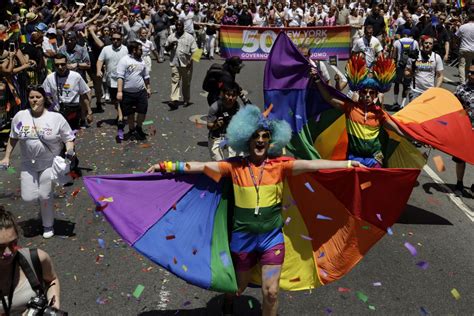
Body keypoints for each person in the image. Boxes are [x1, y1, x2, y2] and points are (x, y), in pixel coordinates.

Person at [146, 105, 364, 316]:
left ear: (271, 141)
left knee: (271, 293)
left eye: (265, 136)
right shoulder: (233, 167)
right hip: (243, 239)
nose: (260, 140)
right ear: (246, 140)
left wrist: (347, 165)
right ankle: (229, 302)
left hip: (272, 239)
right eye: (255, 136)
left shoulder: (281, 166)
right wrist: (165, 166)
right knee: (237, 287)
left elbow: (312, 165)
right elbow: (199, 166)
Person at [0, 86, 75, 238]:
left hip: (48, 163)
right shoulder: (20, 116)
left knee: (45, 195)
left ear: (44, 99)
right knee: (29, 197)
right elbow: (13, 137)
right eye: (32, 97)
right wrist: (6, 156)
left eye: (38, 97)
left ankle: (48, 226)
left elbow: (69, 137)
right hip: (28, 164)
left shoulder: (56, 118)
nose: (35, 100)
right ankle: (42, 207)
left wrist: (70, 150)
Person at [312, 55, 409, 168]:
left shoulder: (379, 113)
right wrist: (317, 80)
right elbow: (329, 98)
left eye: (371, 93)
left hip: (374, 159)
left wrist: (417, 138)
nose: (367, 95)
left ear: (375, 95)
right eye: (364, 92)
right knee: (355, 185)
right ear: (359, 93)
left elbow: (398, 129)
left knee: (374, 185)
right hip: (354, 158)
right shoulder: (350, 108)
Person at [0, 206, 62, 314]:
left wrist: (53, 307)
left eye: (13, 243)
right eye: (0, 247)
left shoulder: (36, 258)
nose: (8, 252)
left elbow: (52, 280)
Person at [42, 53, 92, 130]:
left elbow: (84, 94)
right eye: (57, 65)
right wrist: (52, 108)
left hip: (72, 111)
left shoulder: (76, 76)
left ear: (67, 64)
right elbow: (47, 96)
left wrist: (89, 112)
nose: (60, 67)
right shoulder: (49, 78)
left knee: (71, 134)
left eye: (62, 64)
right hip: (57, 112)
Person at [97, 31, 129, 141]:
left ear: (121, 40)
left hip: (124, 80)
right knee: (115, 101)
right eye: (113, 39)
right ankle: (120, 114)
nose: (115, 41)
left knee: (121, 99)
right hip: (111, 80)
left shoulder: (126, 49)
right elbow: (100, 60)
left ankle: (121, 118)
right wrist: (98, 70)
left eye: (118, 39)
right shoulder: (106, 49)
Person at [116, 41, 151, 141]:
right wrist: (119, 91)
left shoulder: (142, 61)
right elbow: (120, 77)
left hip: (140, 92)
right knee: (130, 113)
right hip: (127, 93)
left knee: (142, 111)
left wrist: (148, 88)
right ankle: (131, 130)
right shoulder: (124, 61)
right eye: (140, 49)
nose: (142, 51)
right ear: (134, 50)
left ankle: (138, 127)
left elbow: (146, 76)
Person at [165, 20, 197, 109]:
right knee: (175, 80)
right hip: (175, 63)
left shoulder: (189, 37)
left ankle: (186, 99)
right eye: (177, 25)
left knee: (186, 83)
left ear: (183, 26)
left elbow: (196, 52)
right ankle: (174, 100)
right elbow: (166, 49)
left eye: (180, 25)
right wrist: (171, 45)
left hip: (186, 64)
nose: (178, 27)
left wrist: (191, 61)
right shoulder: (171, 37)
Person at [452, 64, 474, 196]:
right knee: (461, 159)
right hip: (465, 130)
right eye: (470, 72)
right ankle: (459, 184)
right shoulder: (461, 89)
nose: (471, 75)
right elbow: (453, 108)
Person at [207, 83, 241, 161]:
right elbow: (209, 126)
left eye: (233, 96)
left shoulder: (238, 108)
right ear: (223, 94)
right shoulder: (215, 107)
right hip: (217, 136)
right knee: (219, 164)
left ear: (237, 96)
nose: (230, 98)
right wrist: (216, 125)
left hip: (232, 136)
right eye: (228, 95)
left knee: (236, 161)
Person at [405, 35, 444, 101]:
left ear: (433, 45)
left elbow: (440, 75)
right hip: (415, 91)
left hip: (429, 92)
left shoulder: (436, 57)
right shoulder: (414, 56)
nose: (428, 45)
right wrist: (412, 71)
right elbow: (406, 72)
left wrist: (436, 90)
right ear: (422, 43)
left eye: (430, 43)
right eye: (426, 43)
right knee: (415, 111)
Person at [391, 29, 419, 110]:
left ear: (402, 34)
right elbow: (417, 54)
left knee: (396, 84)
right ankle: (403, 104)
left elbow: (394, 55)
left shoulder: (397, 42)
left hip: (399, 66)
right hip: (410, 66)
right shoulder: (414, 42)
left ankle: (395, 102)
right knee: (406, 85)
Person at [455, 13, 474, 84]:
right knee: (468, 65)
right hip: (472, 49)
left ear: (468, 19)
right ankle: (465, 80)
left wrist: (455, 44)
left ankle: (462, 81)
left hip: (463, 48)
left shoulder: (463, 27)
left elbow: (456, 36)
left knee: (461, 65)